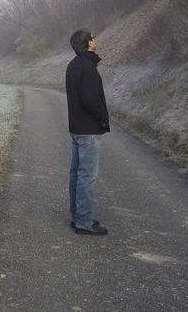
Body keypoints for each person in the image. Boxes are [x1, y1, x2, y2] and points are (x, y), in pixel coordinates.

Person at [65, 29, 110, 236]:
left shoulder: (73, 65)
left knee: (76, 174)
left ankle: (77, 217)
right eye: (93, 38)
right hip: (88, 129)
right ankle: (84, 221)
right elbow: (91, 99)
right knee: (86, 176)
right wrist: (103, 117)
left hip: (76, 128)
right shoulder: (88, 67)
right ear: (87, 43)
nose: (95, 40)